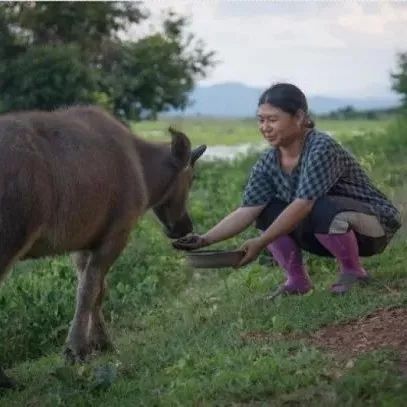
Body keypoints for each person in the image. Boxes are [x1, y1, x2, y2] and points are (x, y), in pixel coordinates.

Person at [173, 83, 401, 295]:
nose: (265, 127)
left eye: (272, 119)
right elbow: (248, 210)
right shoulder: (268, 162)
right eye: (260, 120)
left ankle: (354, 272)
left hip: (374, 227)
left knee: (318, 206)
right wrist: (204, 239)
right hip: (327, 231)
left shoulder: (321, 148)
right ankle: (297, 282)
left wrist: (259, 243)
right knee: (266, 210)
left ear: (300, 117)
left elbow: (304, 204)